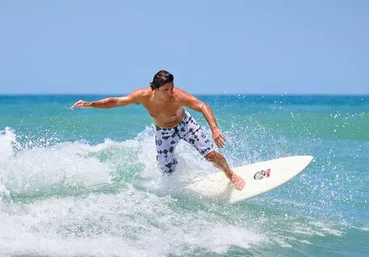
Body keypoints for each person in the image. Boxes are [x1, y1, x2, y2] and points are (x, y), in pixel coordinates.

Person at [70, 70, 245, 191]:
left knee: (211, 155)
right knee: (166, 170)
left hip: (185, 125)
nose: (170, 93)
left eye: (172, 88)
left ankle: (231, 175)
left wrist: (214, 129)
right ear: (154, 89)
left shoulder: (178, 96)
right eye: (165, 90)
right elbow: (115, 101)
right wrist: (91, 104)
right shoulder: (143, 96)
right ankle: (185, 179)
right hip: (163, 132)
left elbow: (202, 106)